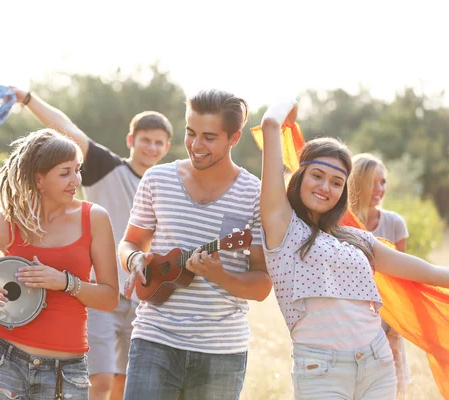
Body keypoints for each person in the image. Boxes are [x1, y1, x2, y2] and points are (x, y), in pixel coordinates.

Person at [258, 99, 449, 400]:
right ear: (300, 177)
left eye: (336, 182)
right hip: (321, 370)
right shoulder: (283, 227)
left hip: (377, 363)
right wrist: (290, 107)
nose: (325, 187)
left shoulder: (356, 238)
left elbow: (429, 271)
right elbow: (270, 123)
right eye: (317, 176)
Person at [0, 129, 119, 400]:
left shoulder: (93, 218)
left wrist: (64, 282)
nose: (76, 180)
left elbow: (109, 298)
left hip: (66, 373)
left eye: (78, 170)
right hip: (2, 362)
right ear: (39, 179)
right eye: (65, 173)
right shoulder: (10, 222)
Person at [11, 88, 173, 400]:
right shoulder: (106, 169)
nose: (151, 147)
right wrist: (28, 98)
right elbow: (66, 129)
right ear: (131, 140)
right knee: (98, 380)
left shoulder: (166, 186)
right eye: (145, 139)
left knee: (124, 385)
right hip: (101, 293)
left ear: (166, 147)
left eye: (158, 142)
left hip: (144, 299)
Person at [119, 88, 272, 400]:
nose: (196, 145)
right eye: (190, 133)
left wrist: (222, 276)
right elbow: (130, 243)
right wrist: (134, 261)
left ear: (234, 138)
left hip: (221, 352)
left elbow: (261, 286)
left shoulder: (254, 195)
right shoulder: (156, 179)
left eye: (209, 137)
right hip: (154, 339)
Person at [348, 153, 410, 399]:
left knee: (393, 390)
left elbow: (402, 280)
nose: (379, 188)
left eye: (383, 182)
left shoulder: (395, 223)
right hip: (352, 323)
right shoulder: (342, 223)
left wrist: (394, 328)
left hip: (389, 322)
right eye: (373, 181)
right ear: (357, 182)